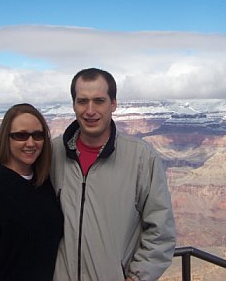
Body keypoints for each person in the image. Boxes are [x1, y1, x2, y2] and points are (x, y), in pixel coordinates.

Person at [50, 68, 176, 281]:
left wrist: (137, 277)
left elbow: (161, 231)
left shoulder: (140, 157)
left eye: (99, 101)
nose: (90, 110)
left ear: (113, 104)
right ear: (73, 105)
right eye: (82, 101)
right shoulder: (53, 154)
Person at [0, 103, 63, 281]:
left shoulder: (44, 182)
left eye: (38, 135)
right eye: (21, 135)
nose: (31, 143)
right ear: (6, 138)